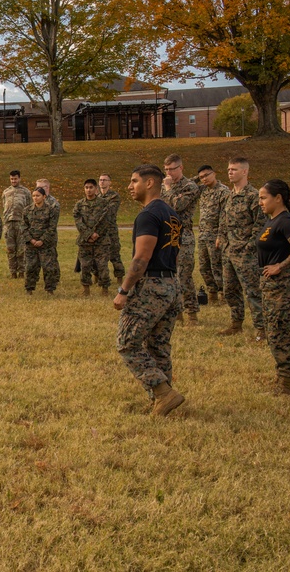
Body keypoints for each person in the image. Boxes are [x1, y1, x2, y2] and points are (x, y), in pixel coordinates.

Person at [113, 164, 185, 417]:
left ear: (150, 183)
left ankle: (164, 393)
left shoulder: (148, 214)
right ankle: (163, 401)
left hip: (152, 285)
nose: (130, 186)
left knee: (127, 342)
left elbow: (141, 258)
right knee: (158, 345)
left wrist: (124, 290)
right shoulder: (170, 212)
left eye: (134, 181)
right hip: (171, 285)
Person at [257, 180, 290, 395]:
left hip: (283, 286)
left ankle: (285, 385)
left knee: (281, 333)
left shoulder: (285, 221)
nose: (260, 202)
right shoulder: (272, 220)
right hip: (271, 286)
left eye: (263, 198)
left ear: (277, 198)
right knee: (275, 332)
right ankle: (282, 376)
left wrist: (281, 265)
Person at [217, 157, 266, 339]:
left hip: (246, 253)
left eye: (234, 169)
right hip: (229, 251)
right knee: (230, 290)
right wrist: (221, 238)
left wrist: (249, 246)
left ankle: (261, 329)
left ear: (245, 171)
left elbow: (260, 224)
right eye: (229, 169)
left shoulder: (253, 196)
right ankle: (236, 324)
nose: (230, 172)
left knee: (252, 291)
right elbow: (223, 220)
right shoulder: (229, 196)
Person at [161, 154, 202, 325]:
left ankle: (191, 313)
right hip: (166, 236)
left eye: (172, 169)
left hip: (183, 236)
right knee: (170, 276)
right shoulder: (164, 187)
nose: (169, 173)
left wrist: (169, 190)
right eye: (166, 169)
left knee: (184, 276)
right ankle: (175, 312)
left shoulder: (190, 186)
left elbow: (177, 206)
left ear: (181, 168)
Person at [194, 165, 230, 305]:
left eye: (206, 175)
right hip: (203, 234)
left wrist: (220, 235)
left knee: (217, 266)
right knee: (204, 266)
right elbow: (188, 185)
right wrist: (197, 178)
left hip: (216, 235)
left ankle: (223, 294)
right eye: (201, 177)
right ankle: (212, 293)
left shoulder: (223, 191)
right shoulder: (202, 190)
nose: (204, 179)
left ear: (214, 174)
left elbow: (224, 215)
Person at [73, 179, 111, 296]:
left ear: (96, 189)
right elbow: (78, 221)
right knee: (85, 265)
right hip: (85, 241)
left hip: (101, 240)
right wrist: (88, 234)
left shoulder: (103, 203)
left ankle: (104, 289)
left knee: (102, 266)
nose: (88, 190)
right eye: (86, 187)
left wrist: (96, 234)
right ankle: (86, 289)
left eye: (91, 187)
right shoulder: (79, 205)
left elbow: (106, 220)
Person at [23, 187, 59, 294]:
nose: (35, 198)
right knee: (30, 267)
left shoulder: (51, 210)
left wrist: (42, 240)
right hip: (31, 245)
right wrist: (31, 240)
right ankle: (29, 289)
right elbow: (23, 227)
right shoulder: (27, 210)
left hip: (46, 244)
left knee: (49, 268)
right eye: (33, 196)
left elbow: (52, 227)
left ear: (44, 197)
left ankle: (50, 289)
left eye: (37, 195)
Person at [2, 170, 33, 279]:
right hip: (9, 224)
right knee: (10, 249)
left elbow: (30, 208)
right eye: (11, 179)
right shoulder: (6, 191)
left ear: (19, 178)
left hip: (21, 223)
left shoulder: (26, 192)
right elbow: (4, 206)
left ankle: (21, 272)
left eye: (15, 179)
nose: (13, 181)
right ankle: (12, 272)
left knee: (21, 249)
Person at [97, 173, 125, 282]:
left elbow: (110, 211)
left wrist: (97, 211)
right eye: (100, 180)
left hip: (111, 230)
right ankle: (98, 277)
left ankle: (119, 278)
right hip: (100, 231)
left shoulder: (114, 196)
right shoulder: (97, 196)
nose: (102, 182)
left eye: (105, 180)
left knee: (115, 254)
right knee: (99, 255)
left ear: (109, 182)